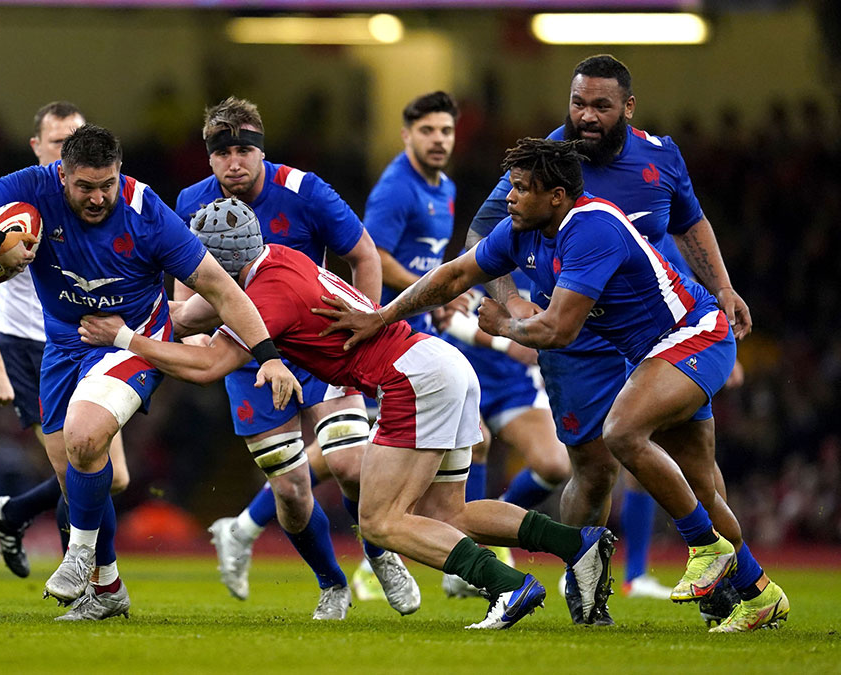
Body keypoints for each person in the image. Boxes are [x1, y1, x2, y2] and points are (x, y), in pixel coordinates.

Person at [80, 197, 617, 630]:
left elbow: (208, 365)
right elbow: (190, 313)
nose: (194, 272)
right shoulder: (279, 260)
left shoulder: (267, 297)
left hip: (411, 379)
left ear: (219, 260)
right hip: (439, 365)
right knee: (449, 514)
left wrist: (125, 339)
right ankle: (578, 545)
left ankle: (507, 586)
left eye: (198, 263)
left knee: (380, 522)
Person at [323, 138, 788, 633]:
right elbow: (455, 274)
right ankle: (760, 593)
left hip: (694, 334)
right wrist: (384, 315)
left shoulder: (592, 228)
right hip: (653, 350)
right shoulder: (523, 230)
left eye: (523, 188)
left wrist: (500, 325)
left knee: (622, 433)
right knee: (699, 485)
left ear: (559, 196)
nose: (510, 196)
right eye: (512, 186)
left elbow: (558, 331)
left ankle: (706, 546)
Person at [0, 124, 299, 622]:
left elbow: (220, 288)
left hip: (131, 338)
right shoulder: (37, 186)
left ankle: (78, 557)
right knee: (72, 471)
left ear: (119, 172)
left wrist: (269, 355)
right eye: (85, 186)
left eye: (107, 184)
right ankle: (108, 589)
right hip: (63, 346)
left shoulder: (147, 213)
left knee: (87, 437)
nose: (98, 197)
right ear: (62, 174)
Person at [467, 54, 749, 620]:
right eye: (578, 104)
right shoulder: (550, 158)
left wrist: (724, 287)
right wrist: (513, 301)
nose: (586, 117)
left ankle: (740, 586)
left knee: (699, 468)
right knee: (594, 468)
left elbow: (691, 223)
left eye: (600, 105)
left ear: (628, 107)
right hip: (576, 339)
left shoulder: (661, 157)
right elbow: (483, 232)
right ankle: (585, 581)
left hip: (655, 331)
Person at [174, 97, 416, 618]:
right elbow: (182, 275)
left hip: (320, 347)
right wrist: (190, 334)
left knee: (351, 464)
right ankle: (332, 584)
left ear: (261, 151)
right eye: (224, 153)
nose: (234, 162)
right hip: (246, 357)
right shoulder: (192, 202)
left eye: (245, 150)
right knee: (290, 489)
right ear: (209, 157)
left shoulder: (304, 192)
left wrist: (366, 321)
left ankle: (381, 554)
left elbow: (364, 254)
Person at [360, 91, 571, 598]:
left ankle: (456, 555)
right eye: (428, 131)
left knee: (474, 444)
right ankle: (377, 555)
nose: (439, 140)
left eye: (447, 131)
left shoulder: (446, 187)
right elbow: (372, 254)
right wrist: (431, 288)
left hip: (424, 334)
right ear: (406, 134)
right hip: (387, 337)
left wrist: (442, 295)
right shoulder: (395, 189)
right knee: (350, 462)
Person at [0, 102, 130, 579]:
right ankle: (85, 578)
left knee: (114, 478)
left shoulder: (91, 200)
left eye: (74, 140)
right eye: (57, 142)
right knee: (75, 476)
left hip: (86, 344)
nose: (66, 150)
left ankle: (13, 513)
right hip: (30, 350)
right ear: (38, 147)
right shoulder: (20, 208)